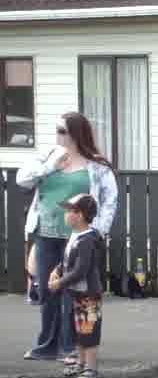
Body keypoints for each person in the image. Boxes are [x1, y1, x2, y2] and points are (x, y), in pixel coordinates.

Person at [17, 112, 117, 362]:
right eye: (57, 130)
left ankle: (70, 346)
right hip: (46, 232)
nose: (57, 136)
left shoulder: (96, 165)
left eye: (62, 131)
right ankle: (47, 345)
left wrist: (99, 230)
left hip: (79, 237)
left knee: (73, 290)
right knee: (48, 289)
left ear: (75, 133)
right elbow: (22, 180)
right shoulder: (47, 157)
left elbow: (109, 200)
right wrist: (51, 167)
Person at [48, 194, 105, 378]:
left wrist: (60, 283)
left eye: (70, 211)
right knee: (77, 330)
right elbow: (66, 260)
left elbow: (81, 269)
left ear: (80, 215)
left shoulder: (87, 240)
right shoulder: (75, 236)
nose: (66, 214)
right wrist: (57, 271)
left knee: (88, 330)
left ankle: (91, 367)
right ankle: (81, 363)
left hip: (88, 294)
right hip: (76, 292)